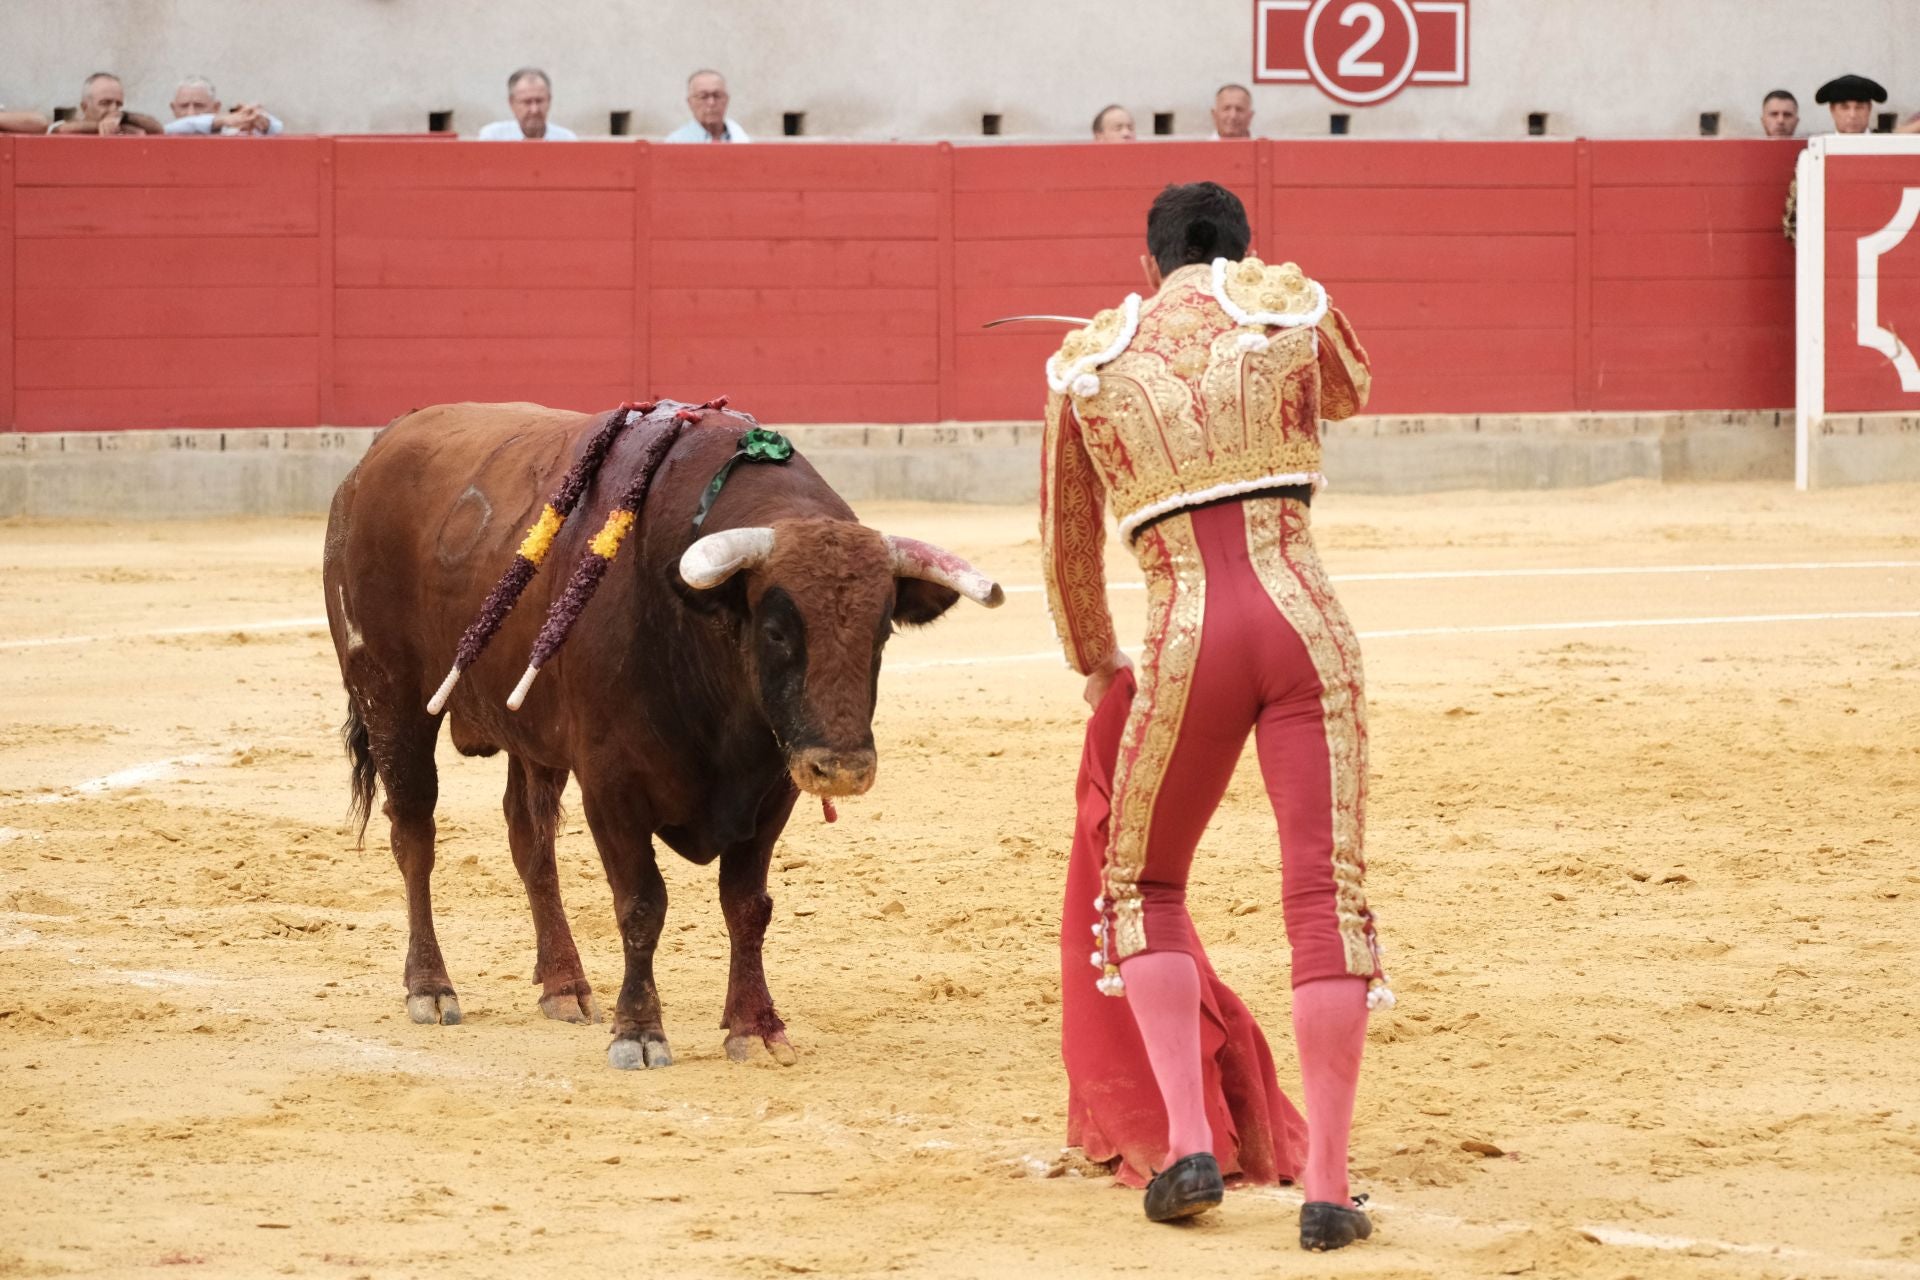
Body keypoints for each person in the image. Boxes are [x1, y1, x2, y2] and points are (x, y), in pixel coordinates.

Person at [1043, 181, 1388, 1246]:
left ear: (1146, 264)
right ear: (1244, 249)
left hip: (1185, 630)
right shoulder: (1284, 307)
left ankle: (1191, 1146)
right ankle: (1327, 1189)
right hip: (1303, 618)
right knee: (1322, 891)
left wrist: (1102, 665)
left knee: (1144, 880)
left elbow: (1065, 547)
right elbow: (1353, 388)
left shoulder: (1089, 364)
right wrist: (1273, 296)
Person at [477, 67, 576, 141]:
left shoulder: (566, 139)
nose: (534, 110)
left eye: (539, 101)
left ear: (549, 100)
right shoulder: (493, 138)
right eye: (527, 102)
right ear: (511, 103)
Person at [49, 73, 163, 135]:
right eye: (105, 103)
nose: (114, 109)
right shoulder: (68, 126)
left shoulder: (123, 127)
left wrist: (125, 116)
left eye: (118, 104)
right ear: (84, 107)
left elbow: (158, 129)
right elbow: (61, 129)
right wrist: (102, 127)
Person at [164, 76, 283, 135]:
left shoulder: (228, 133)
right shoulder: (166, 132)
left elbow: (277, 128)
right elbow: (184, 126)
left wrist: (259, 120)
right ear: (173, 109)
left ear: (216, 107)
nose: (191, 113)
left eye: (199, 106)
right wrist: (221, 120)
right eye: (184, 106)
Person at [664, 69, 748, 143]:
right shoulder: (675, 143)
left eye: (717, 95)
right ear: (690, 102)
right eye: (703, 96)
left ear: (726, 99)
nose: (711, 102)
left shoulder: (742, 139)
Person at [1814, 73, 1884, 135]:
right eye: (1844, 107)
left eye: (1859, 107)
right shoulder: (1819, 149)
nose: (1852, 115)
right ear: (1832, 110)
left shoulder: (1886, 148)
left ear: (1869, 108)